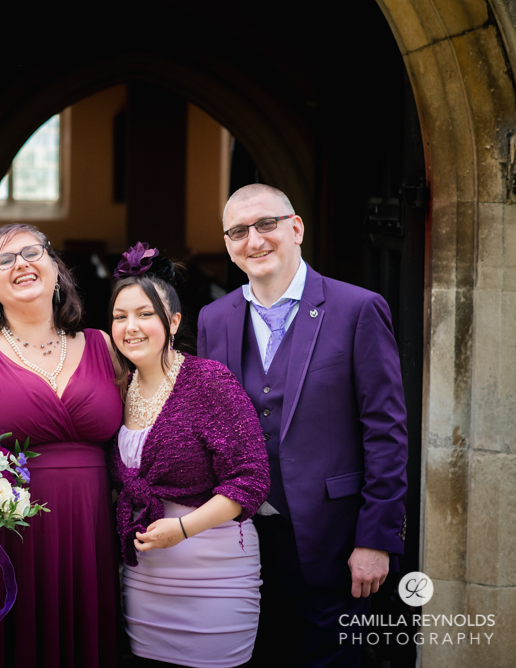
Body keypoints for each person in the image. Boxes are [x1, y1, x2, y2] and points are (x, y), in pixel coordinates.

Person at [197, 184, 408, 667]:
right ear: (229, 246)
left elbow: (386, 434)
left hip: (335, 546)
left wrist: (376, 539)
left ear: (295, 228)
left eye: (266, 224)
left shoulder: (358, 309)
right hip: (241, 546)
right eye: (238, 231)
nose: (254, 240)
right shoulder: (214, 319)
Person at [0, 223, 123, 668]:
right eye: (4, 259)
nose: (21, 264)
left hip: (92, 532)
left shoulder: (104, 346)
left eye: (32, 252)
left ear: (56, 270)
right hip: (11, 542)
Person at [109, 243, 270, 668]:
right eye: (120, 316)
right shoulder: (117, 390)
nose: (132, 327)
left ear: (174, 321)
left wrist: (181, 529)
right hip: (145, 580)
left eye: (146, 314)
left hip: (215, 577)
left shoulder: (208, 381)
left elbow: (249, 479)